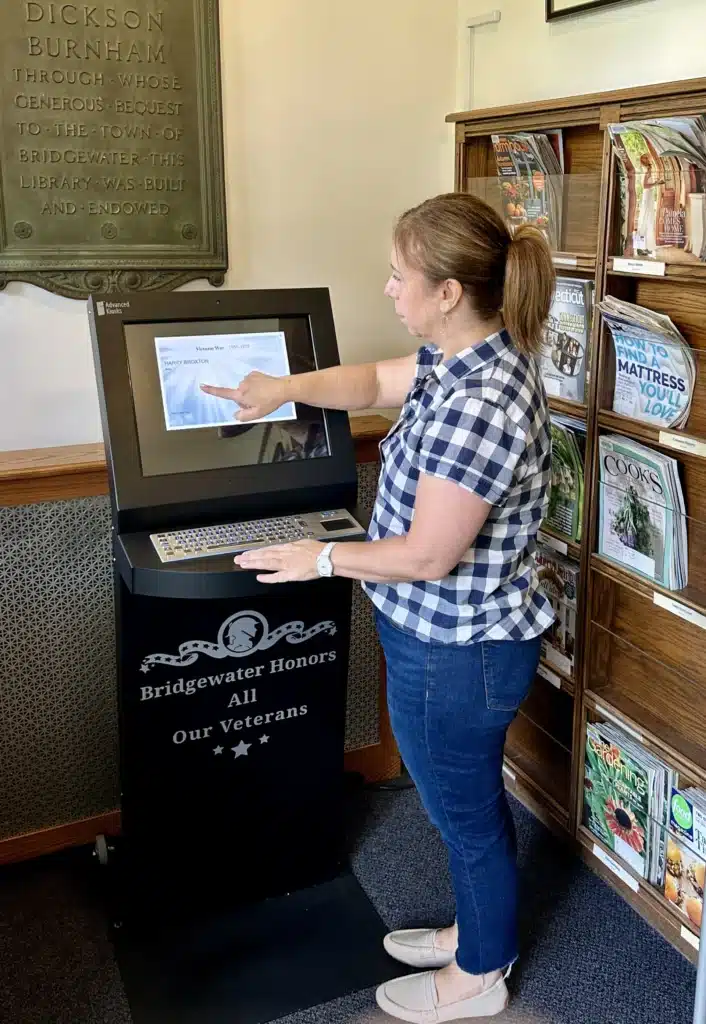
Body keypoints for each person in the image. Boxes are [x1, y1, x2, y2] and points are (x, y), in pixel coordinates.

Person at [200, 191, 556, 1022]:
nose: (388, 290)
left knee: (460, 810)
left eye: (400, 278)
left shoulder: (482, 406)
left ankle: (480, 975)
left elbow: (428, 555)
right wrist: (280, 386)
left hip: (458, 654)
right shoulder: (454, 361)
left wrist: (318, 557)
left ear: (448, 294)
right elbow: (367, 379)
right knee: (458, 802)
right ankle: (480, 926)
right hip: (440, 642)